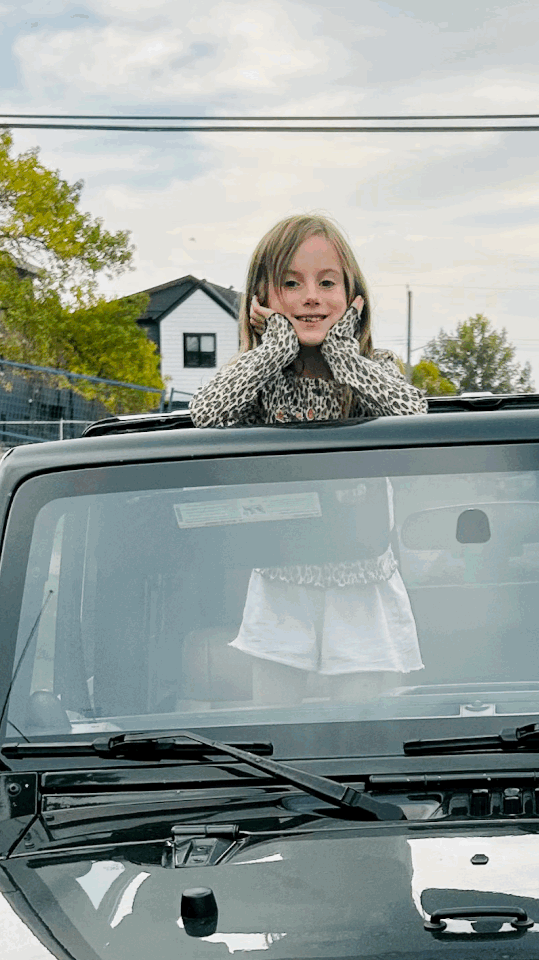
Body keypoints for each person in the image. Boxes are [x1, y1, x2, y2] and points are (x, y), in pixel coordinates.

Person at [191, 215, 426, 702]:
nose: (310, 296)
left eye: (327, 283)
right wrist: (275, 348)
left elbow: (413, 418)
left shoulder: (374, 369)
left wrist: (344, 358)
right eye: (291, 284)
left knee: (359, 727)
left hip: (362, 581)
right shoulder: (255, 376)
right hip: (281, 578)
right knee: (275, 724)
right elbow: (206, 414)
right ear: (261, 299)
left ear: (353, 296)